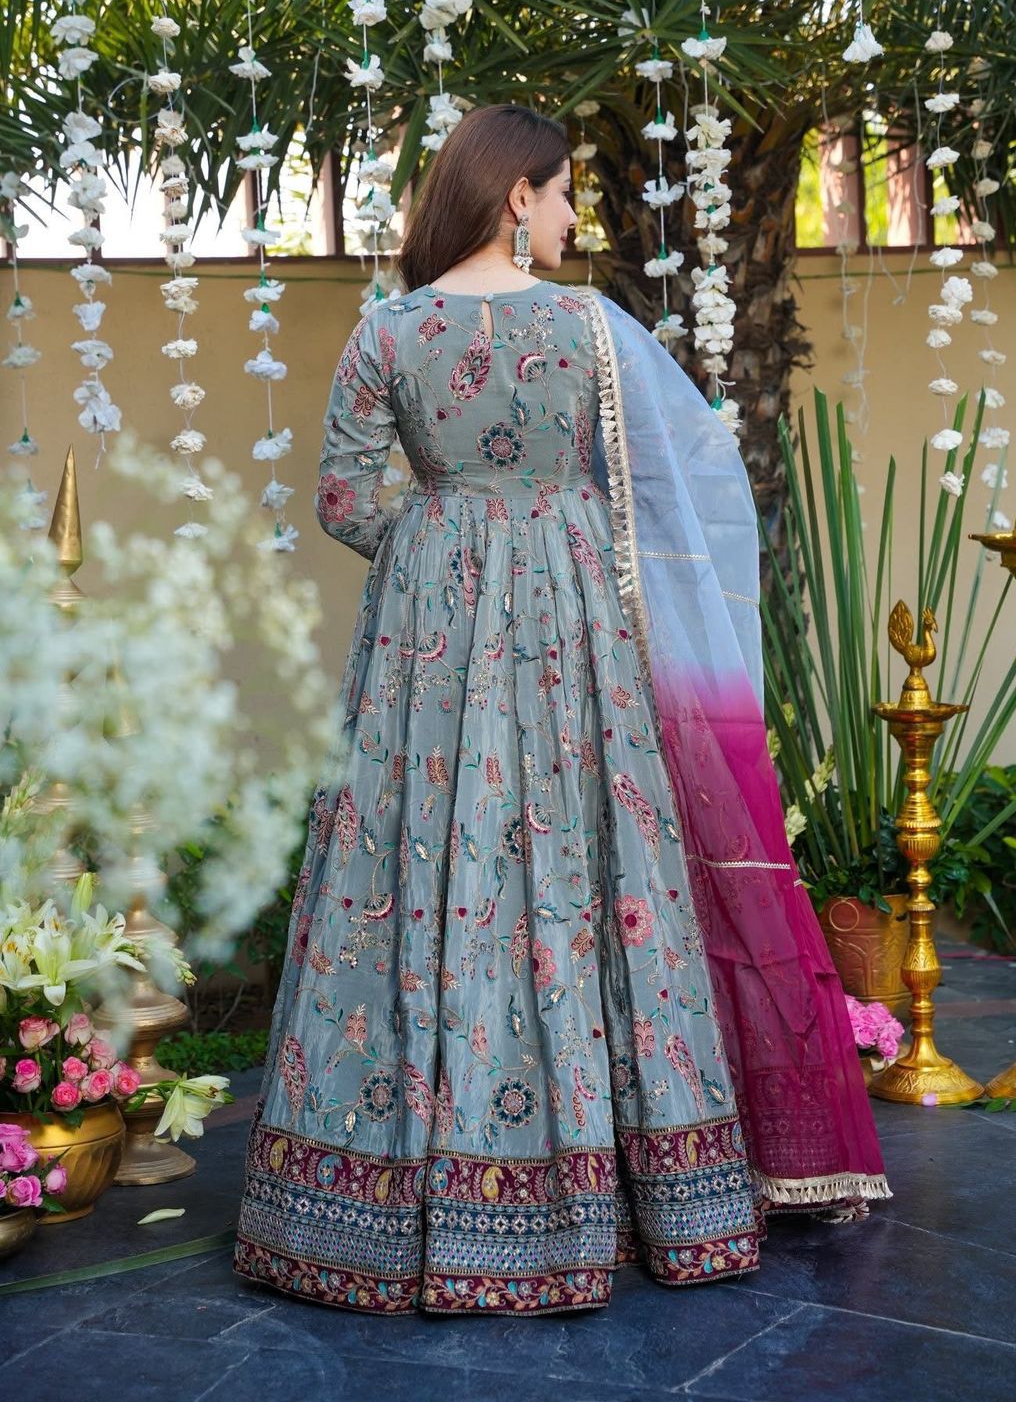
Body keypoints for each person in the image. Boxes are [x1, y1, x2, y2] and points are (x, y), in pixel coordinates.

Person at [234, 103, 890, 1318]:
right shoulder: (590, 331)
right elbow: (682, 470)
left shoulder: (388, 330)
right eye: (565, 192)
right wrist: (556, 547)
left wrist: (438, 540)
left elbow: (338, 497)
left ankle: (384, 1205)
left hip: (429, 644)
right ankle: (641, 1200)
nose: (576, 214)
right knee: (592, 860)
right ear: (514, 198)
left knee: (420, 858)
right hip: (576, 634)